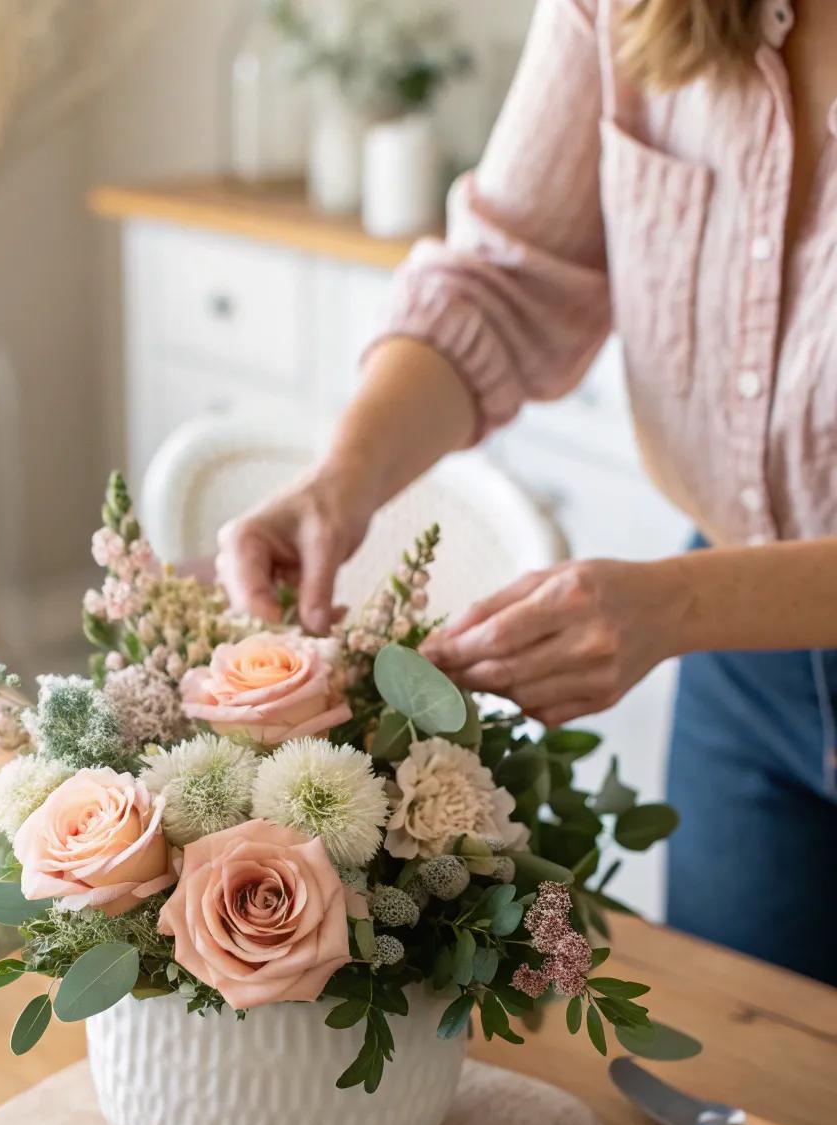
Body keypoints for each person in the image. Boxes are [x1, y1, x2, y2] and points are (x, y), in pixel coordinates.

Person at [214, 0, 837, 986]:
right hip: (743, 676)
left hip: (712, 610)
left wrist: (680, 605)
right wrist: (343, 479)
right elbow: (504, 284)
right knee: (749, 1055)